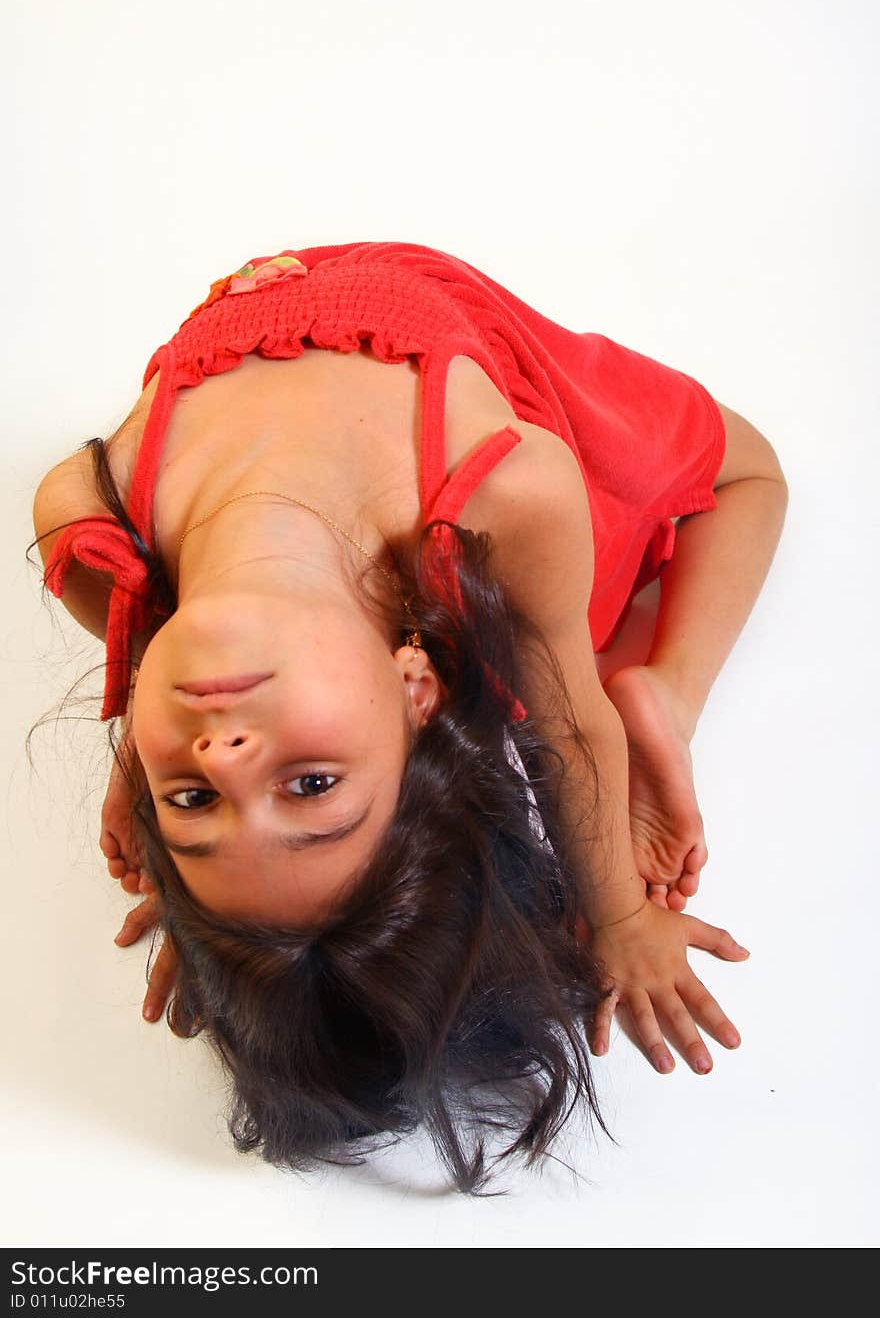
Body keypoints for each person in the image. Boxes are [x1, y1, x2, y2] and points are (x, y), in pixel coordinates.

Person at [28, 240, 788, 1193]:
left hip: (311, 291)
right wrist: (623, 918)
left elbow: (151, 668)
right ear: (414, 687)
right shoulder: (506, 491)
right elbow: (564, 729)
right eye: (309, 785)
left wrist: (240, 925)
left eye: (193, 798)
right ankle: (663, 692)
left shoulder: (90, 528)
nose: (222, 752)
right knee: (744, 474)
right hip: (447, 345)